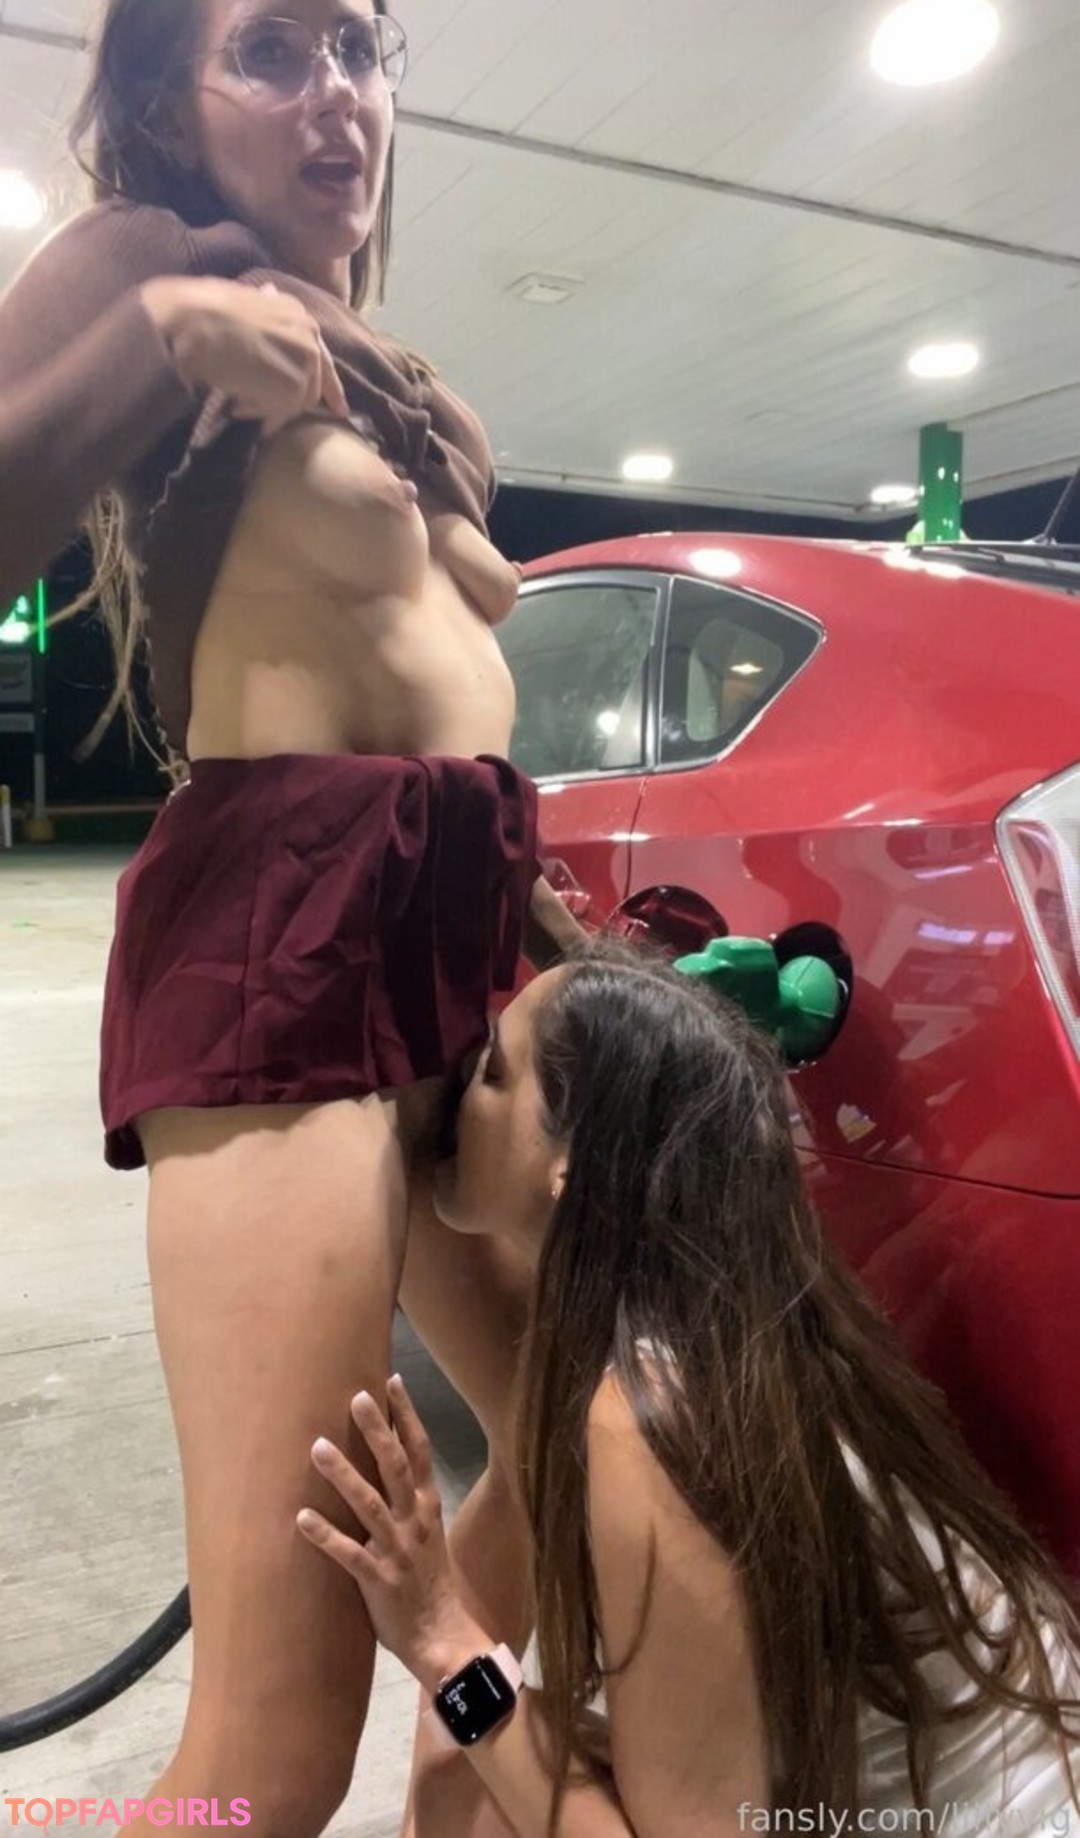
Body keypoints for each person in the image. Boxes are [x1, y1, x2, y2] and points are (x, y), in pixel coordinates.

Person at [0, 4, 579, 1833]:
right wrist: (163, 337)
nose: (337, 92)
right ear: (172, 102)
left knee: (585, 1460)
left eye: (358, 45)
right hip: (287, 939)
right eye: (271, 50)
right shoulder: (151, 259)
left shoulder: (393, 371)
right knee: (266, 1756)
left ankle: (459, 1782)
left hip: (463, 940)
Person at [299, 942, 1080, 1837]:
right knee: (473, 1762)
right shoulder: (715, 1316)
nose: (457, 1097)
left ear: (572, 1167)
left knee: (478, 1744)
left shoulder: (649, 1420)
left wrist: (442, 1642)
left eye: (494, 1075)